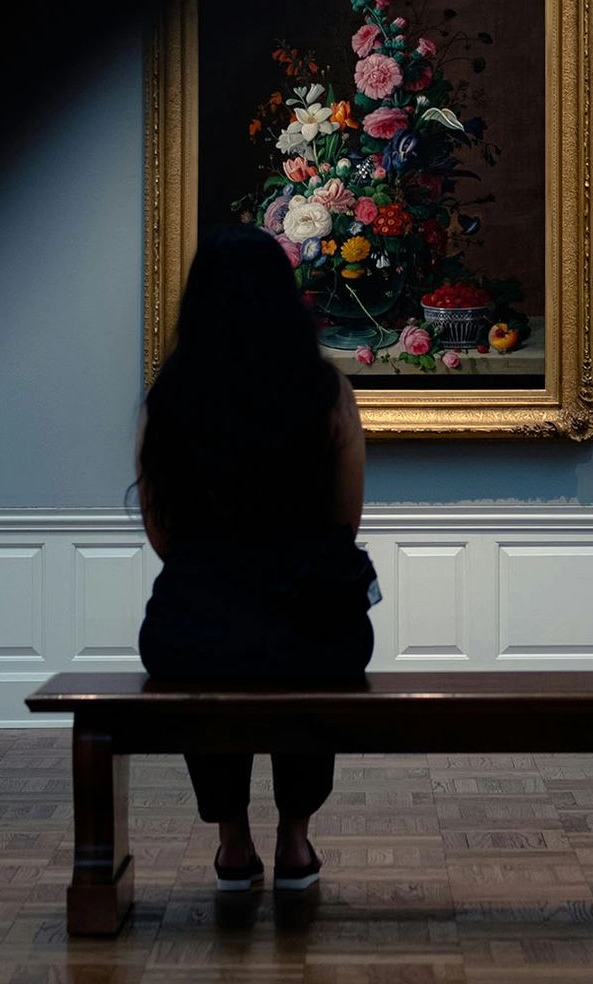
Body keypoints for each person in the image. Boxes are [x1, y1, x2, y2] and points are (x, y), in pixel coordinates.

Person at [135, 222, 376, 894]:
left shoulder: (172, 397)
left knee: (208, 666)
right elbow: (344, 521)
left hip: (197, 622)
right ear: (284, 296)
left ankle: (233, 843)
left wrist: (212, 568)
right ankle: (295, 839)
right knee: (311, 661)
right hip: (309, 620)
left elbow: (160, 528)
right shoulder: (326, 394)